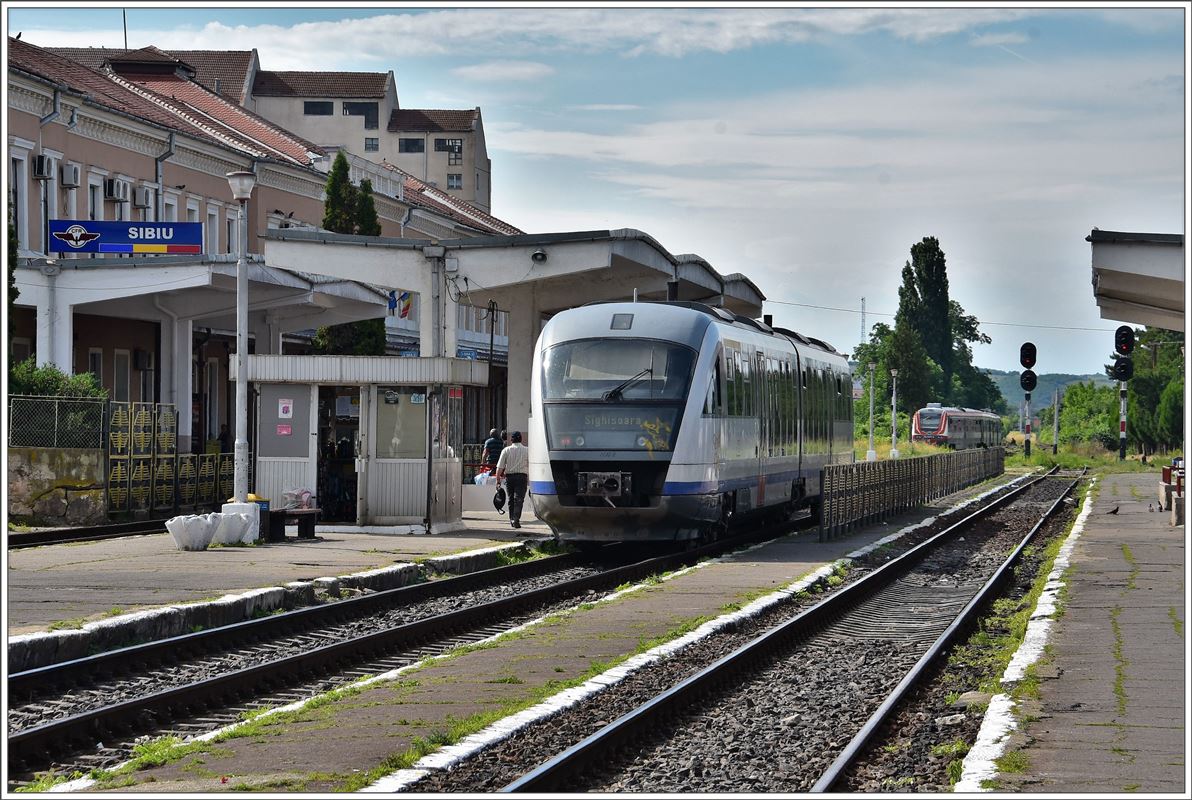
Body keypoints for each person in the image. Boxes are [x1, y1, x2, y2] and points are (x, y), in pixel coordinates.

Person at [494, 431, 529, 529]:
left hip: (509, 478)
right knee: (519, 499)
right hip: (522, 477)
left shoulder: (506, 450)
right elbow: (531, 465)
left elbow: (500, 467)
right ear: (521, 439)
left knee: (511, 499)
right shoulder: (527, 450)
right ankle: (516, 518)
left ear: (511, 439)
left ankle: (512, 519)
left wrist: (497, 480)